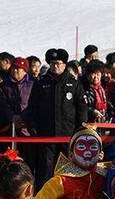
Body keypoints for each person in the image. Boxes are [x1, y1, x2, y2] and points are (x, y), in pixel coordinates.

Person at [22, 48, 88, 189]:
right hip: (46, 137)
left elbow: (82, 108)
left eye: (58, 63)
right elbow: (32, 108)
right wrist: (33, 127)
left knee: (69, 172)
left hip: (68, 137)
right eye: (52, 63)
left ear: (64, 64)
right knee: (45, 172)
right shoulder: (41, 83)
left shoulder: (74, 84)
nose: (55, 66)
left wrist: (80, 129)